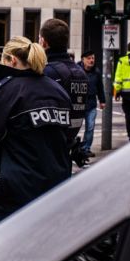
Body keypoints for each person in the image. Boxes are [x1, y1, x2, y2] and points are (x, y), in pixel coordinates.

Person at [0, 36, 71, 230]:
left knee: (1, 241)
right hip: (56, 181)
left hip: (18, 184)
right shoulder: (57, 90)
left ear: (12, 60)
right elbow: (67, 135)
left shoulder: (7, 89)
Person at [39, 18, 90, 166]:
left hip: (47, 152)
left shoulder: (48, 73)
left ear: (43, 42)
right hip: (67, 146)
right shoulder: (81, 73)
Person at [79, 50, 106, 157]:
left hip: (91, 104)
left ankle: (86, 148)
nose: (91, 60)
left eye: (93, 58)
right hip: (79, 104)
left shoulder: (96, 72)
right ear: (83, 59)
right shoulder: (77, 70)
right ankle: (73, 147)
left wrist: (102, 100)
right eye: (89, 58)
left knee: (90, 127)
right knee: (74, 127)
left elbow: (100, 87)